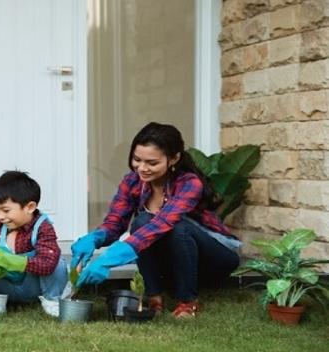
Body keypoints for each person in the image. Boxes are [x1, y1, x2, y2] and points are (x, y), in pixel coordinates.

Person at [71, 122, 241, 318]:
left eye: (152, 163)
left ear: (174, 158)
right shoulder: (132, 182)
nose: (142, 168)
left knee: (176, 228)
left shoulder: (188, 183)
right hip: (173, 263)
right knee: (142, 221)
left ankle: (187, 302)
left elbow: (162, 224)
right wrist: (95, 238)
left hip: (214, 260)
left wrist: (110, 258)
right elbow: (115, 223)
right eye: (137, 160)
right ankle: (154, 297)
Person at [0, 171, 66, 317]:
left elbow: (47, 264)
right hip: (3, 283)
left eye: (6, 210)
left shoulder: (43, 226)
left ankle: (52, 301)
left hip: (33, 286)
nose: (0, 216)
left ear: (29, 207)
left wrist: (8, 260)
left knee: (57, 261)